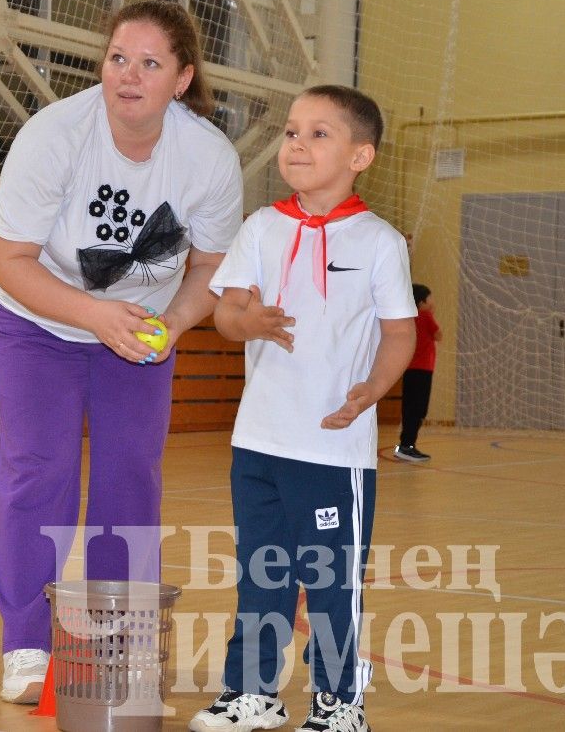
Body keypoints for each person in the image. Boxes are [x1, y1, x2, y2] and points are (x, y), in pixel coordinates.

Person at [0, 0, 243, 704]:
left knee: (131, 478)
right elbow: (8, 259)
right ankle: (27, 643)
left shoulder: (208, 158)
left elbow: (211, 270)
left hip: (138, 332)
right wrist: (94, 315)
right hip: (39, 319)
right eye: (117, 59)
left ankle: (115, 639)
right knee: (38, 470)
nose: (128, 76)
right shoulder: (55, 135)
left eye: (150, 63)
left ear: (182, 78)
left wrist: (175, 326)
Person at [190, 85, 416, 732]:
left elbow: (400, 332)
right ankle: (252, 692)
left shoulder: (378, 242)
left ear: (361, 155)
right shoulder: (261, 228)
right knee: (261, 574)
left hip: (329, 450)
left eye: (320, 133)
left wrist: (373, 388)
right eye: (292, 131)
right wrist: (246, 319)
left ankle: (340, 703)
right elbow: (225, 311)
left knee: (330, 584)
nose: (298, 143)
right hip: (257, 443)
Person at [394, 283, 441, 462]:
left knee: (409, 408)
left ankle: (405, 445)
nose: (433, 301)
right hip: (423, 370)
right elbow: (439, 335)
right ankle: (407, 446)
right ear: (422, 301)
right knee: (419, 410)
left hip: (410, 369)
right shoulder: (426, 316)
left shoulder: (410, 317)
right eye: (430, 298)